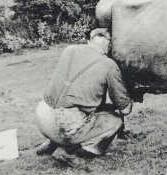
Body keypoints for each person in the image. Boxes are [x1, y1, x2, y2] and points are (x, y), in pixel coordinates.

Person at [34, 28, 132, 158]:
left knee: (69, 105)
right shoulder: (108, 64)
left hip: (42, 114)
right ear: (109, 45)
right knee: (115, 121)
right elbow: (125, 110)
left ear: (89, 41)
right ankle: (84, 153)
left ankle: (53, 142)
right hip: (64, 123)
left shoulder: (69, 50)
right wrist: (128, 100)